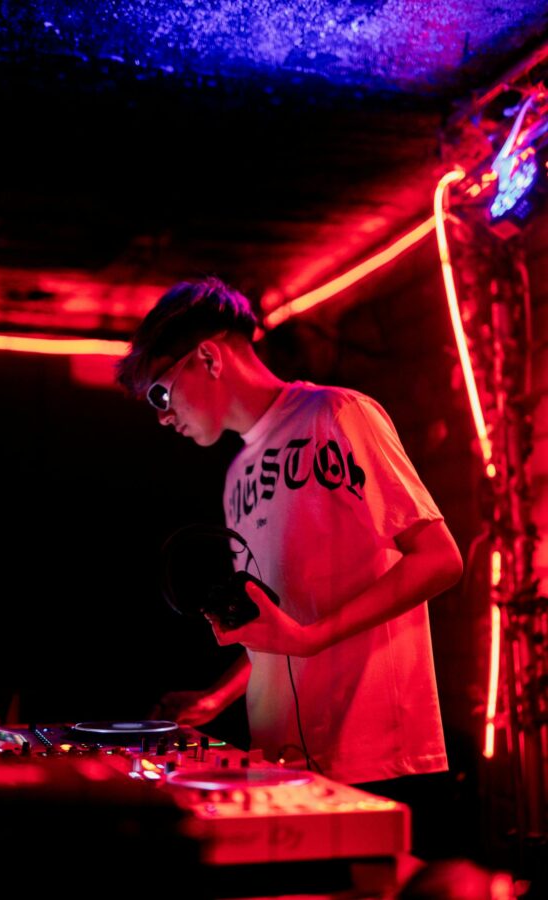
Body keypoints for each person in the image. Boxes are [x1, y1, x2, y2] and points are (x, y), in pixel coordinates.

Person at [116, 277, 463, 790]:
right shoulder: (237, 475)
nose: (164, 417)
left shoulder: (337, 415)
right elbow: (277, 629)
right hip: (282, 758)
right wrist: (218, 697)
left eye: (161, 393)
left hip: (370, 752)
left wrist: (310, 639)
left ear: (208, 359)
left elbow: (440, 559)